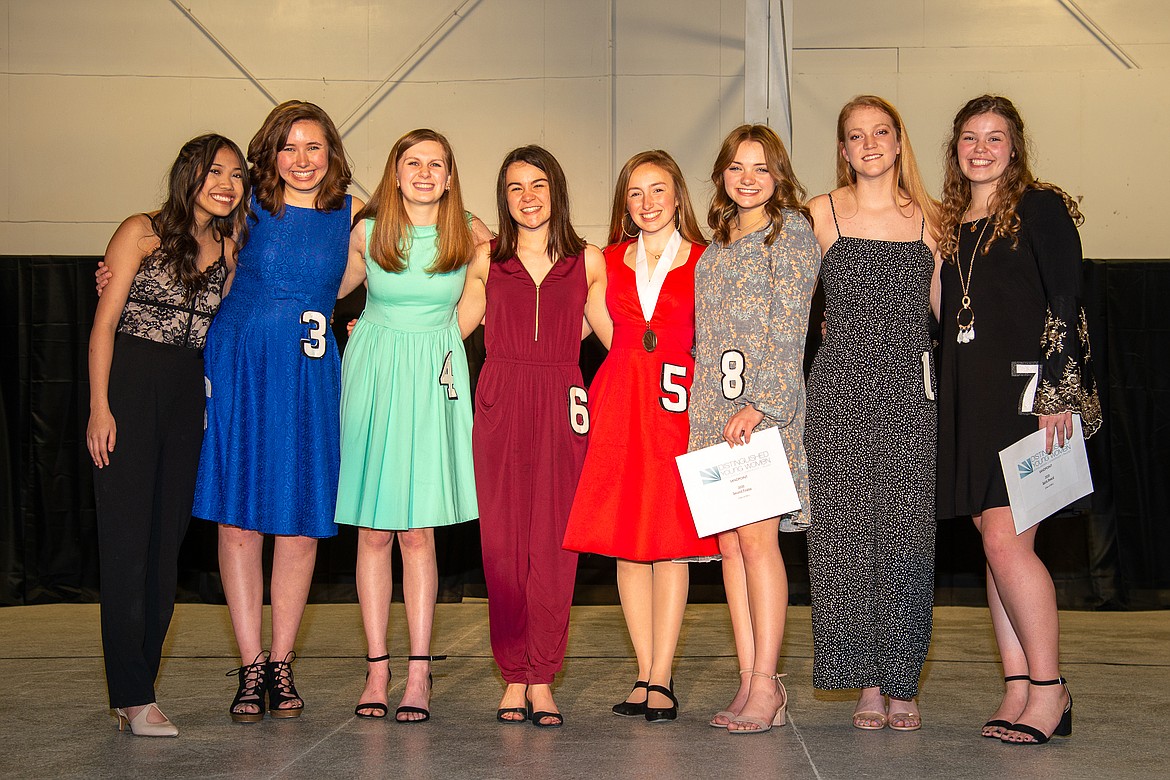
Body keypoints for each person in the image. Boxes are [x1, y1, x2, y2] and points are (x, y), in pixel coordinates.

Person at [935, 94, 1100, 745]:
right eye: (970, 137)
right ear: (956, 149)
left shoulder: (1040, 206)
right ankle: (1016, 687)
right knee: (996, 545)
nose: (981, 148)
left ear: (1015, 146)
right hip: (968, 401)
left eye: (995, 137)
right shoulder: (950, 223)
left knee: (1009, 541)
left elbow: (1067, 295)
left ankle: (1050, 690)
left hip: (1029, 400)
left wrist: (1057, 393)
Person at [193, 101, 366, 722]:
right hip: (242, 364)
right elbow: (191, 251)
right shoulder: (247, 209)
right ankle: (249, 667)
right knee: (239, 520)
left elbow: (437, 227)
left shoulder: (354, 216)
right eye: (289, 148)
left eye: (313, 147)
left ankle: (282, 663)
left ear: (332, 154)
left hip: (309, 372)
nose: (301, 160)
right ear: (271, 153)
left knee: (298, 521)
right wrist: (118, 270)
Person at [86, 134, 249, 736]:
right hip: (130, 385)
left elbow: (224, 325)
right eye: (215, 171)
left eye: (236, 174)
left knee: (164, 550)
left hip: (187, 398)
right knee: (126, 549)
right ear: (190, 175)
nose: (227, 183)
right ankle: (132, 694)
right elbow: (103, 327)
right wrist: (100, 409)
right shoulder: (140, 231)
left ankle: (138, 689)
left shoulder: (231, 248)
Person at [334, 128, 492, 722]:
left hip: (435, 375)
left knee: (418, 533)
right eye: (413, 162)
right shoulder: (367, 231)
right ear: (394, 172)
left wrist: (450, 337)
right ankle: (377, 668)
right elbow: (324, 287)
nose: (425, 173)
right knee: (373, 530)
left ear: (450, 177)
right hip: (374, 371)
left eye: (437, 164)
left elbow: (502, 277)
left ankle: (419, 674)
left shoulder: (471, 233)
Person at [562, 150, 718, 723]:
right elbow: (567, 323)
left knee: (670, 540)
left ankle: (662, 676)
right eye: (635, 193)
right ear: (623, 203)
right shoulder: (603, 260)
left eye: (658, 190)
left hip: (678, 406)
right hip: (619, 402)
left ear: (678, 195)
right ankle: (644, 670)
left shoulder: (705, 259)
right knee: (628, 539)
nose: (647, 203)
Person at [459, 145, 610, 727]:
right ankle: (512, 674)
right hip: (500, 397)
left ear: (557, 190)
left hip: (562, 400)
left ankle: (541, 676)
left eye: (538, 184)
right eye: (516, 187)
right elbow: (455, 327)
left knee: (553, 545)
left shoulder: (588, 260)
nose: (528, 197)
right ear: (504, 196)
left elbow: (620, 338)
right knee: (501, 548)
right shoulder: (486, 258)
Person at [804, 96, 940, 732]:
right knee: (844, 537)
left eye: (881, 131)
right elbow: (781, 303)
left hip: (910, 392)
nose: (870, 143)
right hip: (838, 391)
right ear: (842, 148)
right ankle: (864, 680)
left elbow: (961, 318)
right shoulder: (819, 215)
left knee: (906, 536)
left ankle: (902, 678)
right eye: (855, 135)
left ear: (898, 139)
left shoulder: (933, 220)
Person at [690, 124, 820, 733]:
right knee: (729, 548)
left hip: (765, 415)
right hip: (714, 415)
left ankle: (769, 684)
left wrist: (763, 405)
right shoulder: (712, 248)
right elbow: (705, 343)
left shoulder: (789, 234)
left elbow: (791, 326)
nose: (747, 178)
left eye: (761, 168)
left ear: (778, 176)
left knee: (760, 543)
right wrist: (703, 418)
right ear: (721, 174)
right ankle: (747, 682)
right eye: (737, 167)